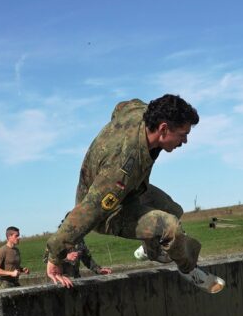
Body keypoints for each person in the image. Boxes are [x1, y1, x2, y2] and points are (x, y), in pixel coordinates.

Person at [44, 94, 224, 293]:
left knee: (173, 209)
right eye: (182, 134)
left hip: (132, 189)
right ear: (163, 129)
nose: (185, 141)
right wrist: (55, 256)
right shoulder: (122, 167)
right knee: (170, 227)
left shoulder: (141, 113)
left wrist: (113, 133)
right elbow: (89, 210)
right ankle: (189, 270)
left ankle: (151, 250)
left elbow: (121, 107)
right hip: (108, 211)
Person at [45, 240, 113, 279]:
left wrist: (99, 270)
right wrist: (65, 257)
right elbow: (46, 260)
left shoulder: (80, 240)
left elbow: (87, 259)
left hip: (77, 280)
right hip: (61, 280)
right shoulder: (55, 241)